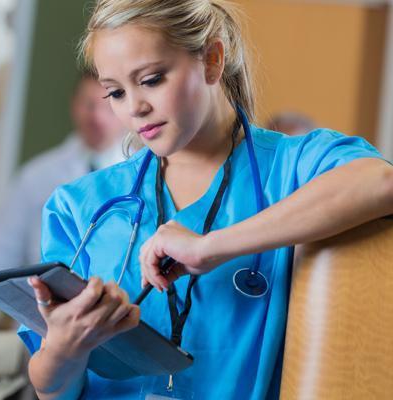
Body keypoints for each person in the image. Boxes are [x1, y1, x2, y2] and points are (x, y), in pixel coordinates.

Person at [21, 1, 393, 399]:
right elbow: (53, 391)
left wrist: (211, 247)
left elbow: (382, 182)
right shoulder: (79, 206)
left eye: (151, 79)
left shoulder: (291, 168)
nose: (134, 108)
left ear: (212, 60)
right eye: (115, 91)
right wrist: (64, 346)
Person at [0, 71, 125, 323]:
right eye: (89, 106)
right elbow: (2, 246)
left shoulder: (142, 178)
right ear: (74, 106)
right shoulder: (37, 176)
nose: (97, 117)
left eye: (108, 107)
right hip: (43, 315)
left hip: (111, 314)